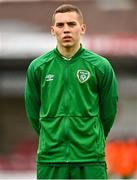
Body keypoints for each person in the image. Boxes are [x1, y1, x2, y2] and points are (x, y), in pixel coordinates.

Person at [25, 4, 118, 179]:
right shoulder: (38, 67)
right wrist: (52, 135)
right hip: (50, 160)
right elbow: (32, 112)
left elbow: (109, 111)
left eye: (71, 24)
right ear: (52, 30)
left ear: (82, 28)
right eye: (60, 25)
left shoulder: (100, 66)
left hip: (90, 159)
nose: (66, 30)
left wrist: (92, 138)